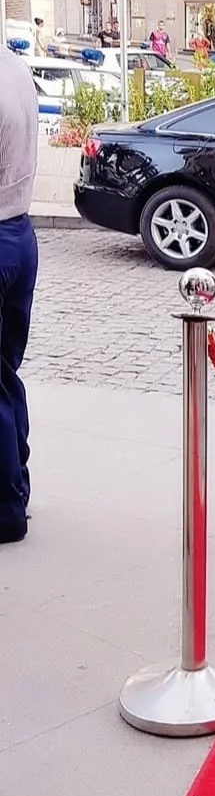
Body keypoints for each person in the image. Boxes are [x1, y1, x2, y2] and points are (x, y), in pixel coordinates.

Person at [0, 47, 41, 543]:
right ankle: (17, 488)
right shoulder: (15, 67)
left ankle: (7, 509)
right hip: (20, 233)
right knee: (6, 374)